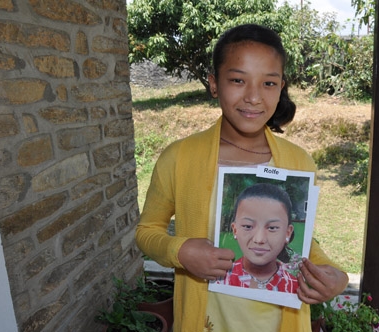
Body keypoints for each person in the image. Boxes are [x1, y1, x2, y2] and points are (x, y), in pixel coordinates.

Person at [136, 23, 349, 332]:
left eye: (268, 83)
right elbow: (147, 231)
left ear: (281, 87)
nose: (253, 97)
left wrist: (334, 273)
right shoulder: (179, 157)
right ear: (214, 84)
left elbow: (301, 241)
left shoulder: (298, 162)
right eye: (238, 80)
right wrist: (179, 251)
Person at [217, 183, 299, 293]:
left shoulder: (296, 287)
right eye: (248, 226)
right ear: (235, 229)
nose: (259, 239)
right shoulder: (219, 280)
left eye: (272, 228)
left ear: (287, 233)